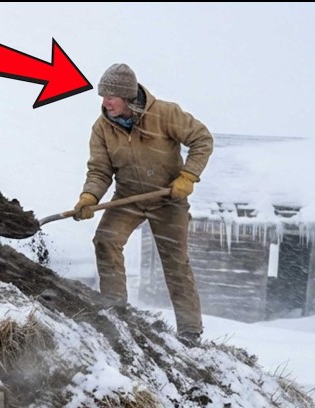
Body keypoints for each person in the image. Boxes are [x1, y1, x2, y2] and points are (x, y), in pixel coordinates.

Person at [72, 63, 213, 346]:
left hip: (168, 198)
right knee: (105, 241)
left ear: (126, 96)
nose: (105, 102)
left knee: (175, 262)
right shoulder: (102, 128)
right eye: (102, 96)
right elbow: (100, 170)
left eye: (110, 96)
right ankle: (115, 312)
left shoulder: (165, 114)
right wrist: (89, 197)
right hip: (128, 198)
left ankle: (190, 331)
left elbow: (202, 139)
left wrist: (188, 176)